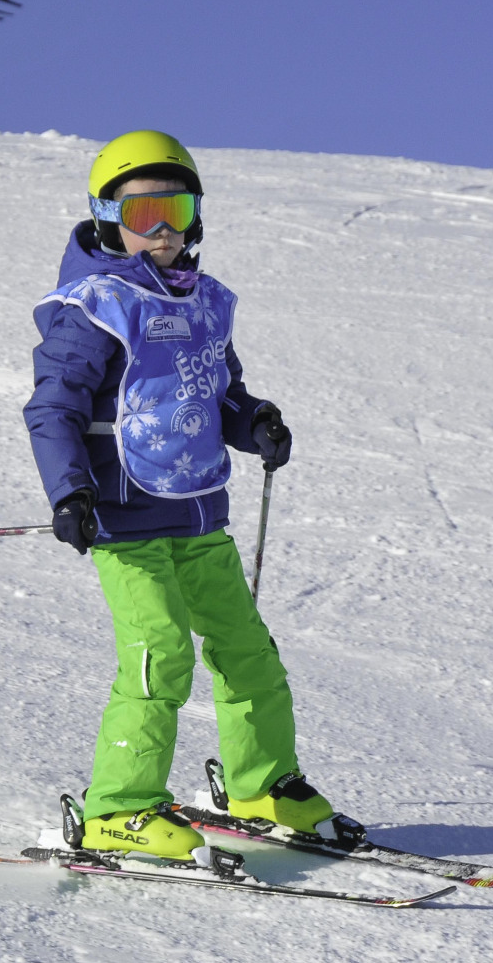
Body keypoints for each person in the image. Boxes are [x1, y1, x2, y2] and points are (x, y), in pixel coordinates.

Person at [23, 130, 337, 860]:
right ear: (108, 219)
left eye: (178, 209)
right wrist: (70, 492)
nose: (163, 229)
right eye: (144, 214)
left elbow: (219, 393)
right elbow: (53, 408)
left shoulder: (203, 304)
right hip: (124, 519)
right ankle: (118, 806)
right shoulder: (96, 306)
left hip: (197, 513)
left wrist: (254, 422)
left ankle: (260, 781)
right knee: (159, 654)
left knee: (247, 650)